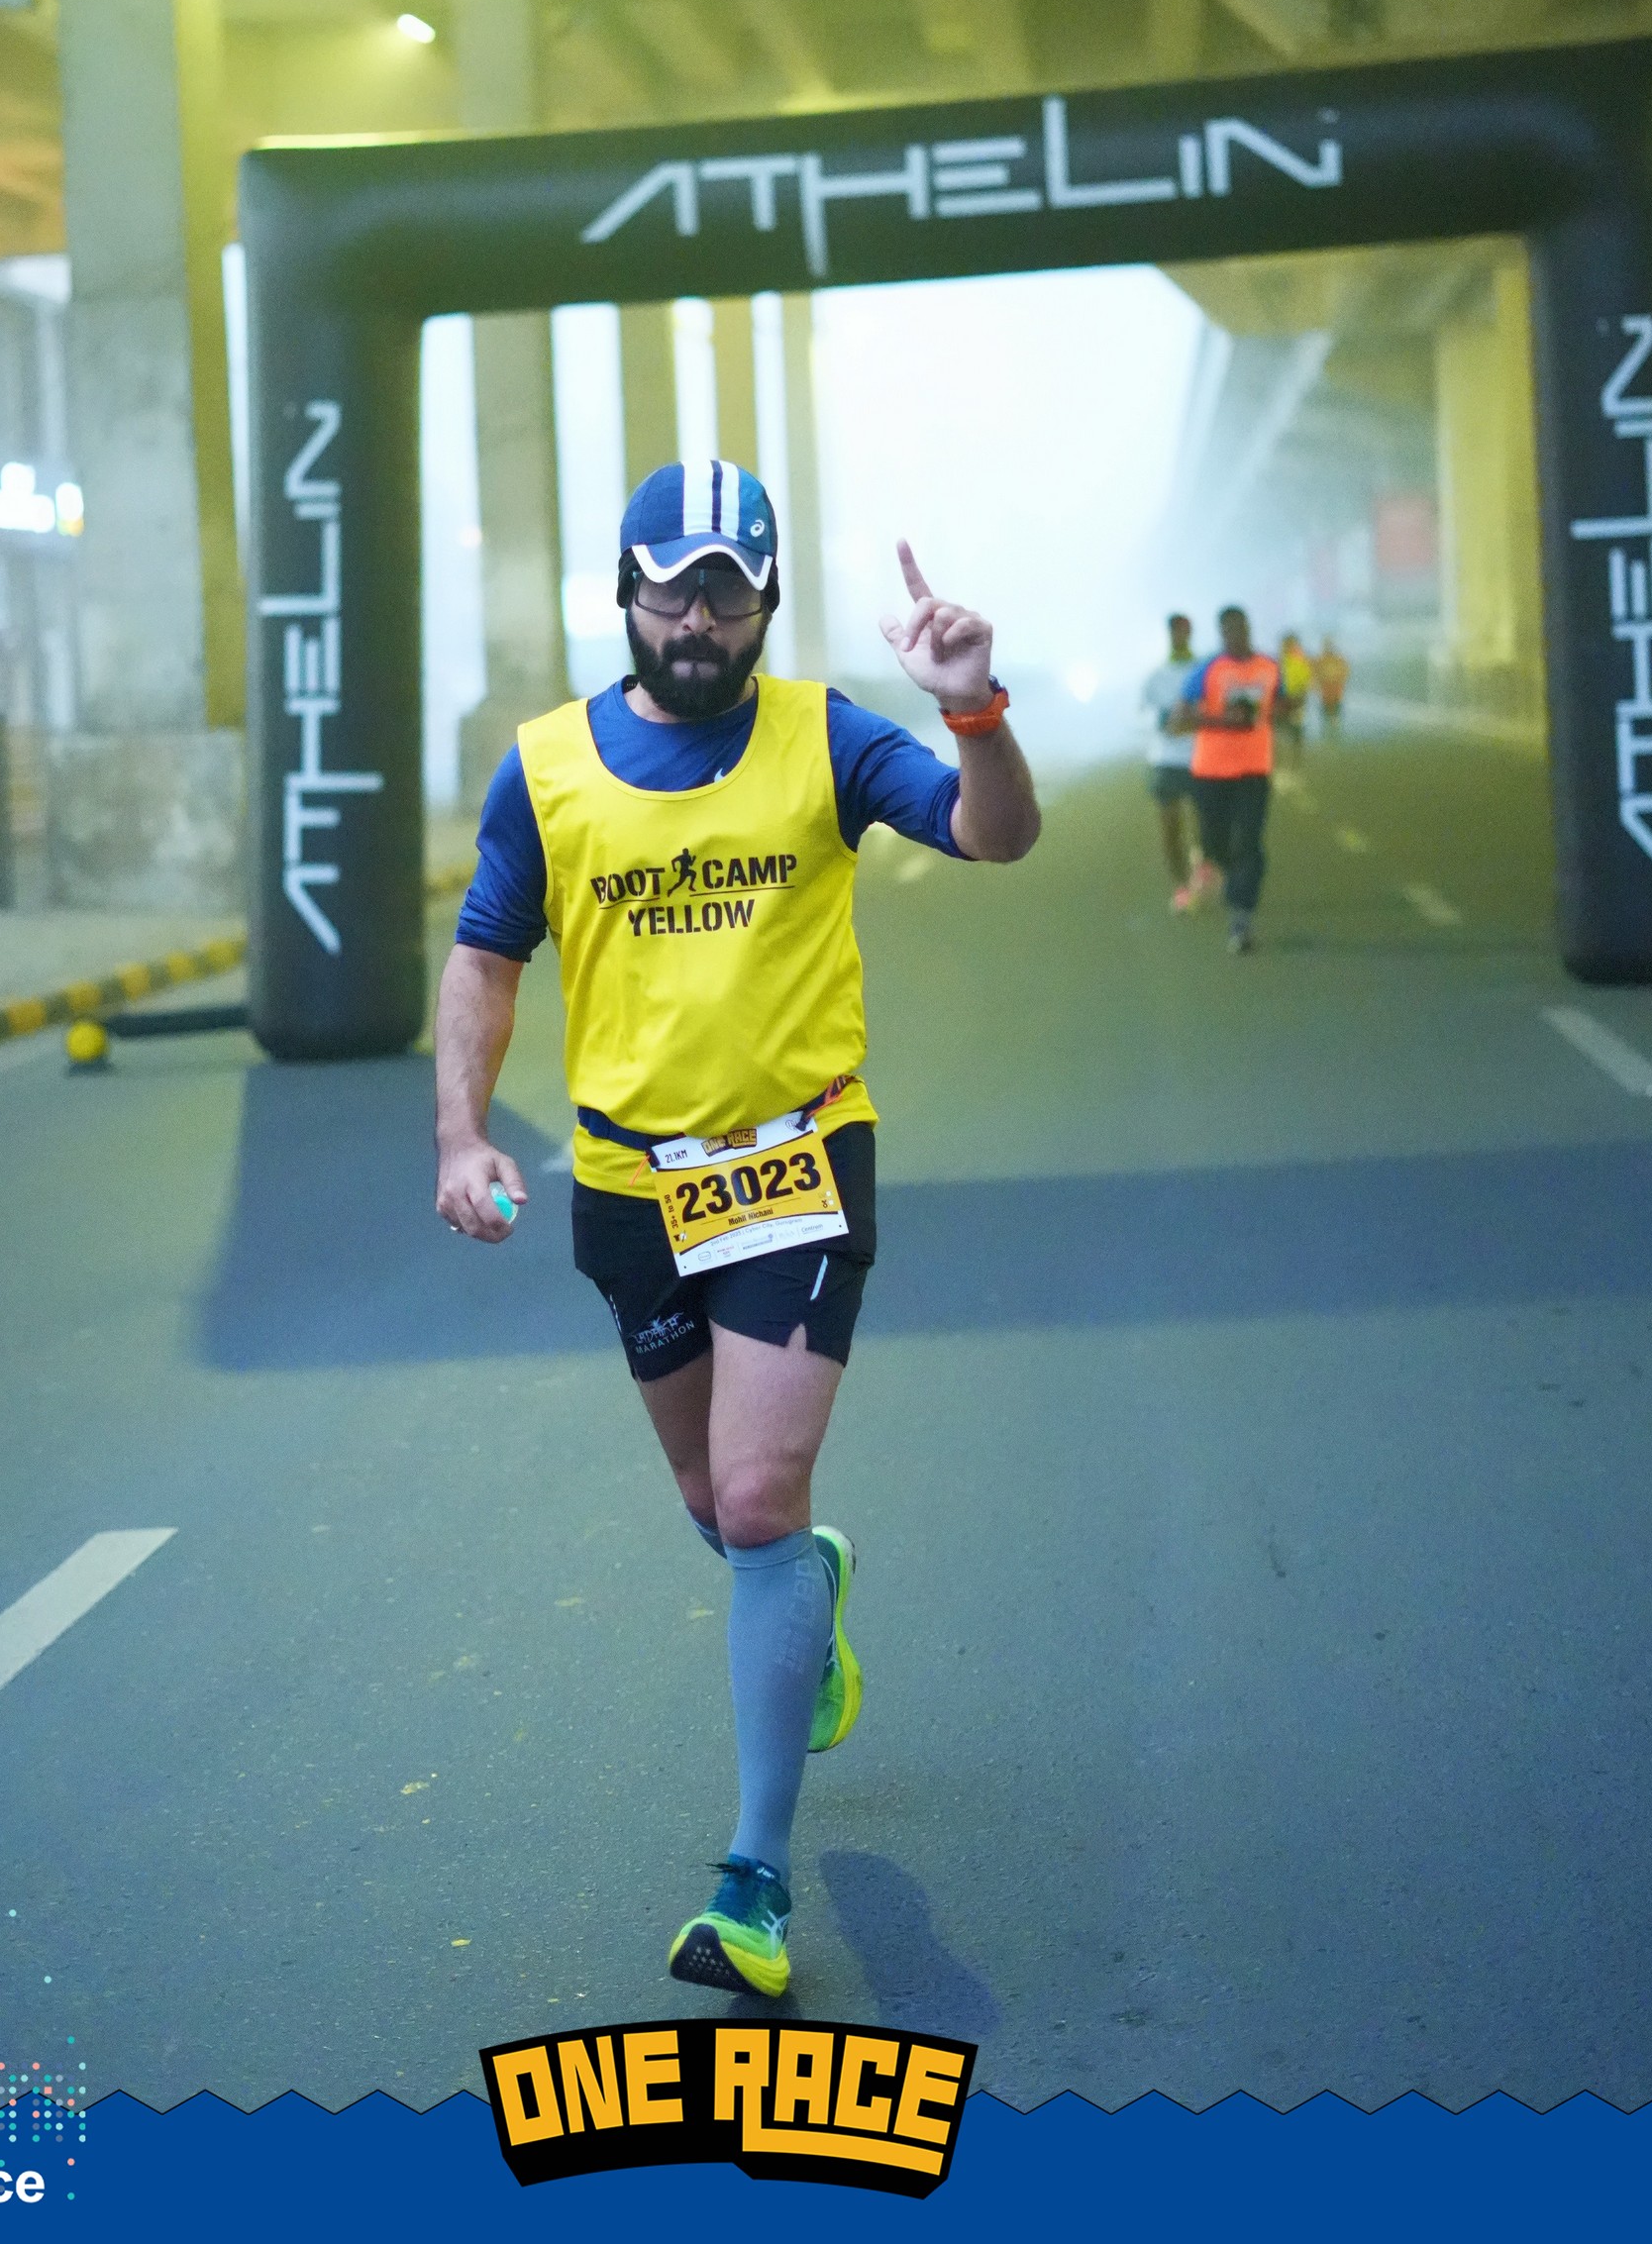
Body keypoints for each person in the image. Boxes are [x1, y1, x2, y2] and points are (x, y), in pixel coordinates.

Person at [433, 461, 1040, 2000]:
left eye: (727, 590)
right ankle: (805, 1591)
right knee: (718, 1505)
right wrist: (460, 1133)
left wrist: (975, 712)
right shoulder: (545, 770)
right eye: (672, 587)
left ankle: (752, 1886)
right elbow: (488, 958)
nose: (697, 618)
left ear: (765, 601)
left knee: (758, 1499)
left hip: (797, 1161)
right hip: (630, 1185)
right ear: (624, 591)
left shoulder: (827, 738)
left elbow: (995, 837)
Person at [1170, 602, 1282, 955]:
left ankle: (1241, 916)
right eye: (1229, 631)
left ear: (1248, 628)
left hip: (1254, 770)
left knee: (1249, 842)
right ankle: (1220, 871)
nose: (1236, 636)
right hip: (1210, 772)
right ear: (1221, 634)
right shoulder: (1206, 671)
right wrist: (1223, 721)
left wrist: (1282, 709)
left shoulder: (1269, 667)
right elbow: (1178, 721)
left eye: (1240, 629)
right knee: (1215, 845)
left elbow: (1282, 704)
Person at [1139, 613, 1211, 911]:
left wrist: (1196, 720)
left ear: (1190, 632)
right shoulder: (1156, 675)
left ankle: (1202, 862)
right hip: (1166, 760)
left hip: (1202, 757)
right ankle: (1181, 886)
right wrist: (1164, 720)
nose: (1179, 635)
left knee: (1206, 823)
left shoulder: (1204, 671)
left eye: (1184, 630)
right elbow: (1141, 713)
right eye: (1174, 631)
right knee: (1170, 826)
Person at [1274, 630, 1312, 781]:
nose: (1287, 646)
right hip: (1280, 703)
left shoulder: (1300, 662)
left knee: (1296, 736)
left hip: (1295, 702)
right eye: (1286, 644)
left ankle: (1296, 768)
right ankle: (1279, 768)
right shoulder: (1277, 662)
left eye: (1290, 644)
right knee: (1277, 736)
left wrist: (1300, 701)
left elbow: (1305, 684)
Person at [1315, 637, 1349, 730]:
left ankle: (1334, 727)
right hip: (1326, 692)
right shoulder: (1322, 660)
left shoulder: (1338, 660)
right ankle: (1329, 727)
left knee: (1334, 713)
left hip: (1335, 691)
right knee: (1327, 713)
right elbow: (1317, 675)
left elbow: (1344, 673)